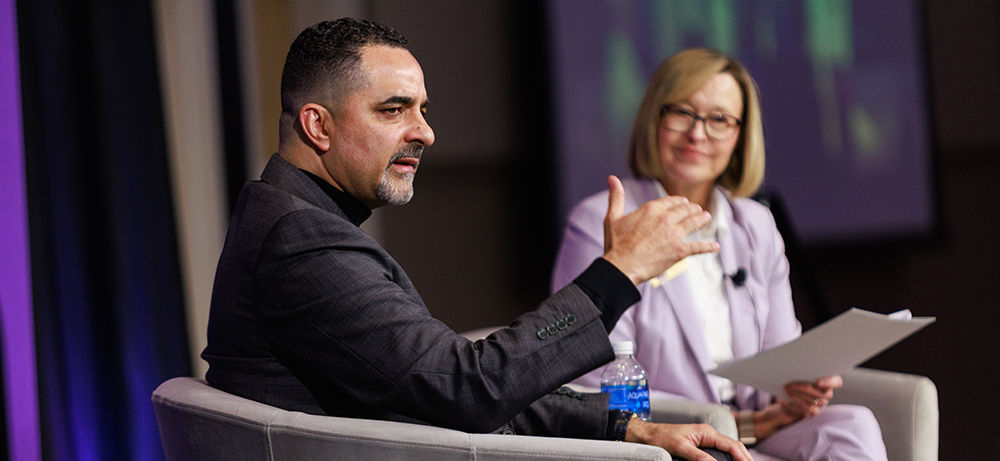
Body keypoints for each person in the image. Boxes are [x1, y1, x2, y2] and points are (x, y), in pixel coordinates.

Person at [202, 18, 753, 461]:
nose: (425, 132)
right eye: (393, 110)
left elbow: (451, 380)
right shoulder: (303, 243)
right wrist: (619, 272)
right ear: (318, 126)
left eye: (423, 110)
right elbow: (470, 390)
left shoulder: (296, 221)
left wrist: (624, 429)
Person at [551, 48, 888, 461]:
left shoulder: (755, 223)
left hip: (760, 428)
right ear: (654, 119)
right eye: (682, 113)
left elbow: (782, 354)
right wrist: (730, 424)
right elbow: (595, 380)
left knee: (853, 425)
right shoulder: (602, 219)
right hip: (671, 434)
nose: (698, 134)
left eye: (719, 120)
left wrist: (798, 388)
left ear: (739, 136)